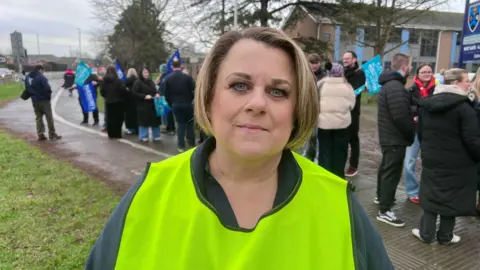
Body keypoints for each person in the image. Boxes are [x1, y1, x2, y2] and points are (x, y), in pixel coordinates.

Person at [85, 27, 393, 270]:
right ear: (208, 97)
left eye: (277, 91)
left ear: (298, 110)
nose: (257, 103)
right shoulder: (149, 195)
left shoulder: (338, 206)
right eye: (240, 86)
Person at [412, 68, 480, 244]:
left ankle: (426, 234)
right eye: (466, 80)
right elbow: (473, 140)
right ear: (456, 83)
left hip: (432, 159)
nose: (469, 84)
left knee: (431, 194)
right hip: (457, 162)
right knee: (451, 198)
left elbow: (421, 134)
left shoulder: (427, 104)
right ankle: (445, 236)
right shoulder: (465, 109)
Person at [375, 53, 415, 227]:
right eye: (411, 66)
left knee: (386, 169)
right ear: (405, 67)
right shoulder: (395, 87)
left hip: (390, 136)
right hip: (394, 137)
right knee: (391, 172)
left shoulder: (390, 85)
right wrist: (410, 133)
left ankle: (381, 197)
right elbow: (400, 116)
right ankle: (385, 210)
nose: (412, 69)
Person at [403, 63, 436, 205]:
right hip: (415, 130)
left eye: (429, 71)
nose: (427, 74)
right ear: (418, 74)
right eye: (424, 71)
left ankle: (427, 190)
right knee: (409, 161)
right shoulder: (411, 90)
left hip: (431, 131)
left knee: (430, 163)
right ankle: (412, 191)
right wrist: (416, 113)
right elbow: (406, 108)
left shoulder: (438, 89)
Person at [316, 62, 356, 178]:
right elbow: (351, 105)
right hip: (342, 125)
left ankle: (325, 177)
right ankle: (338, 177)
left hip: (324, 124)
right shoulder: (347, 87)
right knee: (340, 152)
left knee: (324, 152)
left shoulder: (321, 84)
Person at [343, 51, 366, 177]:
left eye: (348, 58)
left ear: (354, 59)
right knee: (343, 138)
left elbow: (356, 90)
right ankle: (342, 162)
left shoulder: (360, 73)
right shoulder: (343, 72)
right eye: (344, 58)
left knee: (353, 139)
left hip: (353, 111)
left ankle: (353, 166)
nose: (345, 60)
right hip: (342, 110)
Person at [164, 60, 196, 152]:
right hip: (187, 103)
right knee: (190, 124)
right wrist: (190, 100)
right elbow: (194, 90)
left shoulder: (168, 78)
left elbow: (166, 94)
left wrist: (171, 103)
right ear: (181, 66)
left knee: (180, 124)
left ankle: (181, 145)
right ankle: (192, 143)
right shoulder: (187, 77)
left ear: (172, 67)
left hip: (176, 104)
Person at [25, 65, 61, 141]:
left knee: (38, 117)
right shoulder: (41, 77)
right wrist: (48, 97)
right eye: (43, 70)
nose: (43, 72)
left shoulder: (28, 77)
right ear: (40, 70)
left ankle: (40, 134)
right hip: (44, 101)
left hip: (34, 100)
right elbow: (47, 88)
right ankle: (52, 134)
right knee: (49, 117)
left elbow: (27, 89)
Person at [303, 53, 327, 161]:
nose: (314, 65)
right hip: (307, 108)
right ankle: (307, 154)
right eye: (312, 63)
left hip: (321, 109)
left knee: (316, 135)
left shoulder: (324, 75)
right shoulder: (304, 74)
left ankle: (315, 156)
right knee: (308, 134)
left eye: (316, 63)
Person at [132, 67, 161, 142]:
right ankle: (144, 136)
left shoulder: (151, 82)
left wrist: (157, 94)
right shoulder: (137, 82)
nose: (146, 74)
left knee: (155, 121)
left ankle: (156, 135)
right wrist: (144, 96)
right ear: (141, 73)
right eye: (145, 72)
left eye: (147, 72)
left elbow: (155, 90)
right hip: (143, 105)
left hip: (153, 105)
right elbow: (134, 93)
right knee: (144, 122)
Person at [101, 65, 127, 139]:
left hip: (109, 101)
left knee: (110, 118)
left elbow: (102, 91)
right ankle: (117, 134)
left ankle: (111, 134)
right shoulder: (118, 81)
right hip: (118, 101)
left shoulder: (104, 81)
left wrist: (106, 96)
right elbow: (123, 90)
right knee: (118, 118)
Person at [156, 64, 175, 135]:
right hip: (164, 97)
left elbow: (163, 87)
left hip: (166, 97)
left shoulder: (166, 77)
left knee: (168, 114)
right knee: (166, 114)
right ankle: (167, 127)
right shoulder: (163, 77)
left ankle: (171, 128)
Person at [124, 68, 138, 135]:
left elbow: (124, 88)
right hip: (136, 99)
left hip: (129, 99)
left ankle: (130, 129)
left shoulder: (127, 80)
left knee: (129, 115)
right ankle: (137, 128)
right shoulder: (138, 80)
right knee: (136, 115)